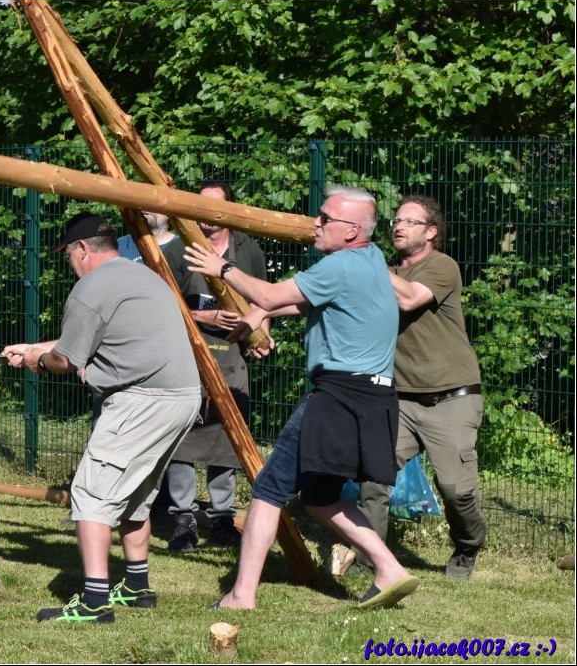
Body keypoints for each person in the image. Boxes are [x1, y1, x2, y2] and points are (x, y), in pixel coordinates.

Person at [184, 185, 420, 610]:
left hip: (339, 394)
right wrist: (262, 313)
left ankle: (241, 595)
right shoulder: (370, 261)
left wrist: (223, 269)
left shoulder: (341, 265)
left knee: (269, 489)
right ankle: (390, 569)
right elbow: (301, 302)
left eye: (325, 218)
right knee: (319, 496)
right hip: (374, 395)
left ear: (351, 230)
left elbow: (275, 294)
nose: (316, 223)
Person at [2, 211, 201, 623]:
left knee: (91, 495)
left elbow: (65, 358)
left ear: (81, 249)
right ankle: (136, 586)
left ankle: (95, 603)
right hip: (183, 397)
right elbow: (84, 339)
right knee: (135, 495)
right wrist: (33, 347)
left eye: (68, 255)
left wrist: (39, 361)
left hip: (142, 400)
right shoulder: (141, 276)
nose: (70, 264)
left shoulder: (90, 288)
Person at [339, 195, 486, 579]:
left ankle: (468, 546)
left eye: (410, 221)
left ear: (431, 232)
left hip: (452, 397)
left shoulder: (441, 266)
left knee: (456, 490)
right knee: (374, 477)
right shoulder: (384, 270)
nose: (398, 226)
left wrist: (365, 258)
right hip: (399, 399)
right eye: (396, 220)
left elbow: (409, 300)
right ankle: (370, 558)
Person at [160, 181, 273, 551]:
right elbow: (161, 304)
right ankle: (183, 519)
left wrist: (261, 332)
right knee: (183, 436)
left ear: (228, 210)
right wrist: (202, 315)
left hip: (232, 357)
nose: (204, 216)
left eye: (212, 208)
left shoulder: (248, 249)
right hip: (188, 354)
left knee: (228, 438)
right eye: (198, 207)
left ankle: (223, 519)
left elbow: (263, 299)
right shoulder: (180, 249)